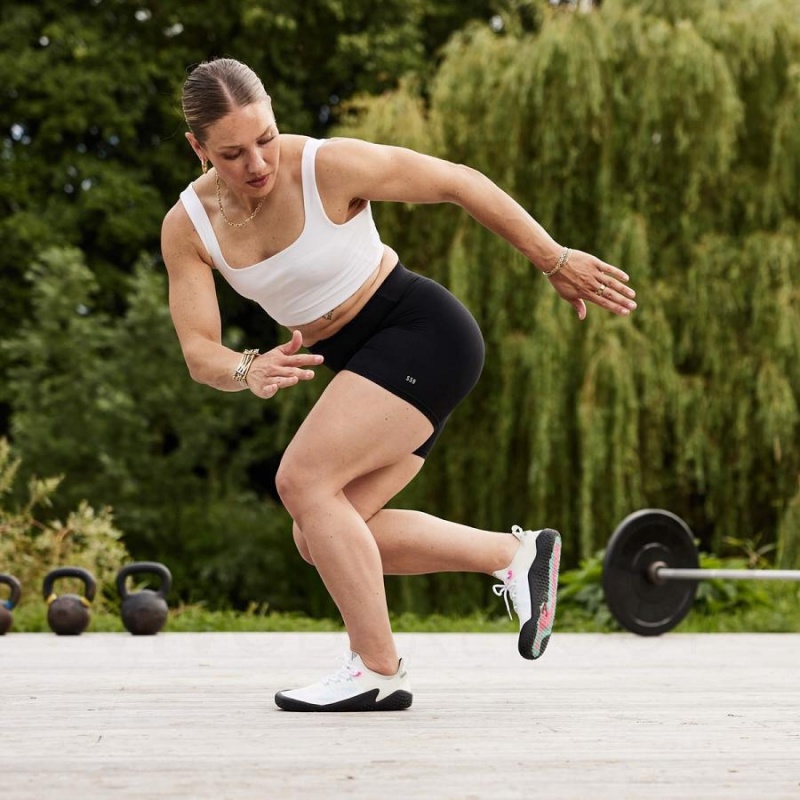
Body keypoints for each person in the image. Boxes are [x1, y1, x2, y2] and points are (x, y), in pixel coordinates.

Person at [161, 57, 637, 713]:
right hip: (359, 361)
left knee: (302, 483)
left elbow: (458, 182)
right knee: (319, 532)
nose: (258, 164)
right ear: (198, 148)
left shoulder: (325, 166)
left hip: (420, 332)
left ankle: (376, 667)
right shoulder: (188, 225)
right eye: (233, 153)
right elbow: (196, 350)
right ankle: (515, 555)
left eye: (266, 138)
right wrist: (246, 368)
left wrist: (552, 258)